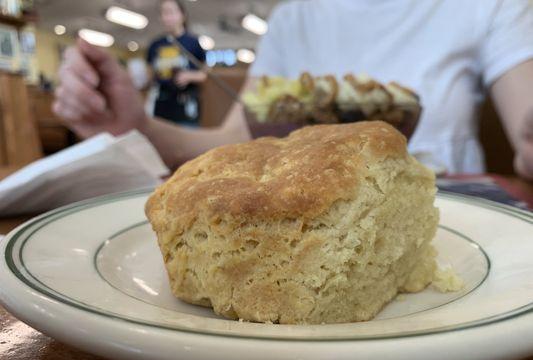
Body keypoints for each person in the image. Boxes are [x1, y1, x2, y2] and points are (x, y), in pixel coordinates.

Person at [53, 0, 533, 179]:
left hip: (456, 223)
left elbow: (526, 117)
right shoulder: (292, 17)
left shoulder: (490, 6)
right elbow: (233, 143)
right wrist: (133, 125)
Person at [146, 0, 206, 125]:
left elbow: (204, 74)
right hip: (161, 107)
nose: (167, 17)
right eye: (164, 13)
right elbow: (150, 75)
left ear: (182, 15)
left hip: (185, 106)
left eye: (171, 12)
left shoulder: (193, 43)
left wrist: (189, 76)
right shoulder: (155, 45)